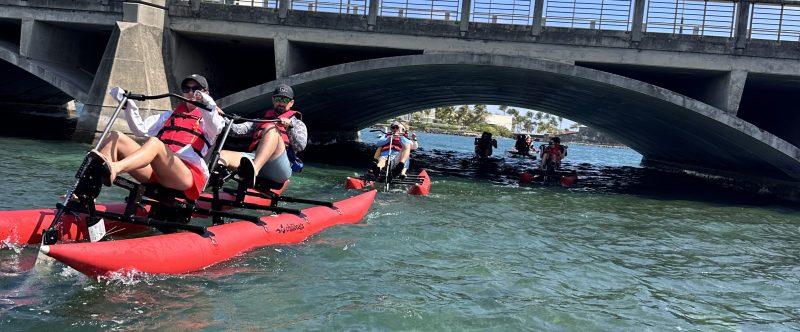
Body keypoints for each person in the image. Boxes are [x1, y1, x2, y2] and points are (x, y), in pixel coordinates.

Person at [87, 74, 226, 200]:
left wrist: (208, 105)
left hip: (185, 176)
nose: (190, 93)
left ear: (206, 92)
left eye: (196, 89)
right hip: (157, 172)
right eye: (186, 88)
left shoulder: (212, 119)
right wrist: (128, 106)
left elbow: (216, 126)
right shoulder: (169, 115)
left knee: (155, 143)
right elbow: (140, 130)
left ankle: (115, 168)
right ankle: (86, 191)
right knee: (115, 136)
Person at [218, 83, 307, 190]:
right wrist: (219, 115)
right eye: (278, 99)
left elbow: (301, 146)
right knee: (221, 156)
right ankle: (210, 186)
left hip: (278, 166)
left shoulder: (297, 124)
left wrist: (290, 128)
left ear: (291, 103)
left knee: (271, 129)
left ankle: (253, 172)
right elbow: (235, 131)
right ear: (273, 100)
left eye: (285, 100)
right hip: (254, 159)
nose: (281, 103)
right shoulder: (261, 120)